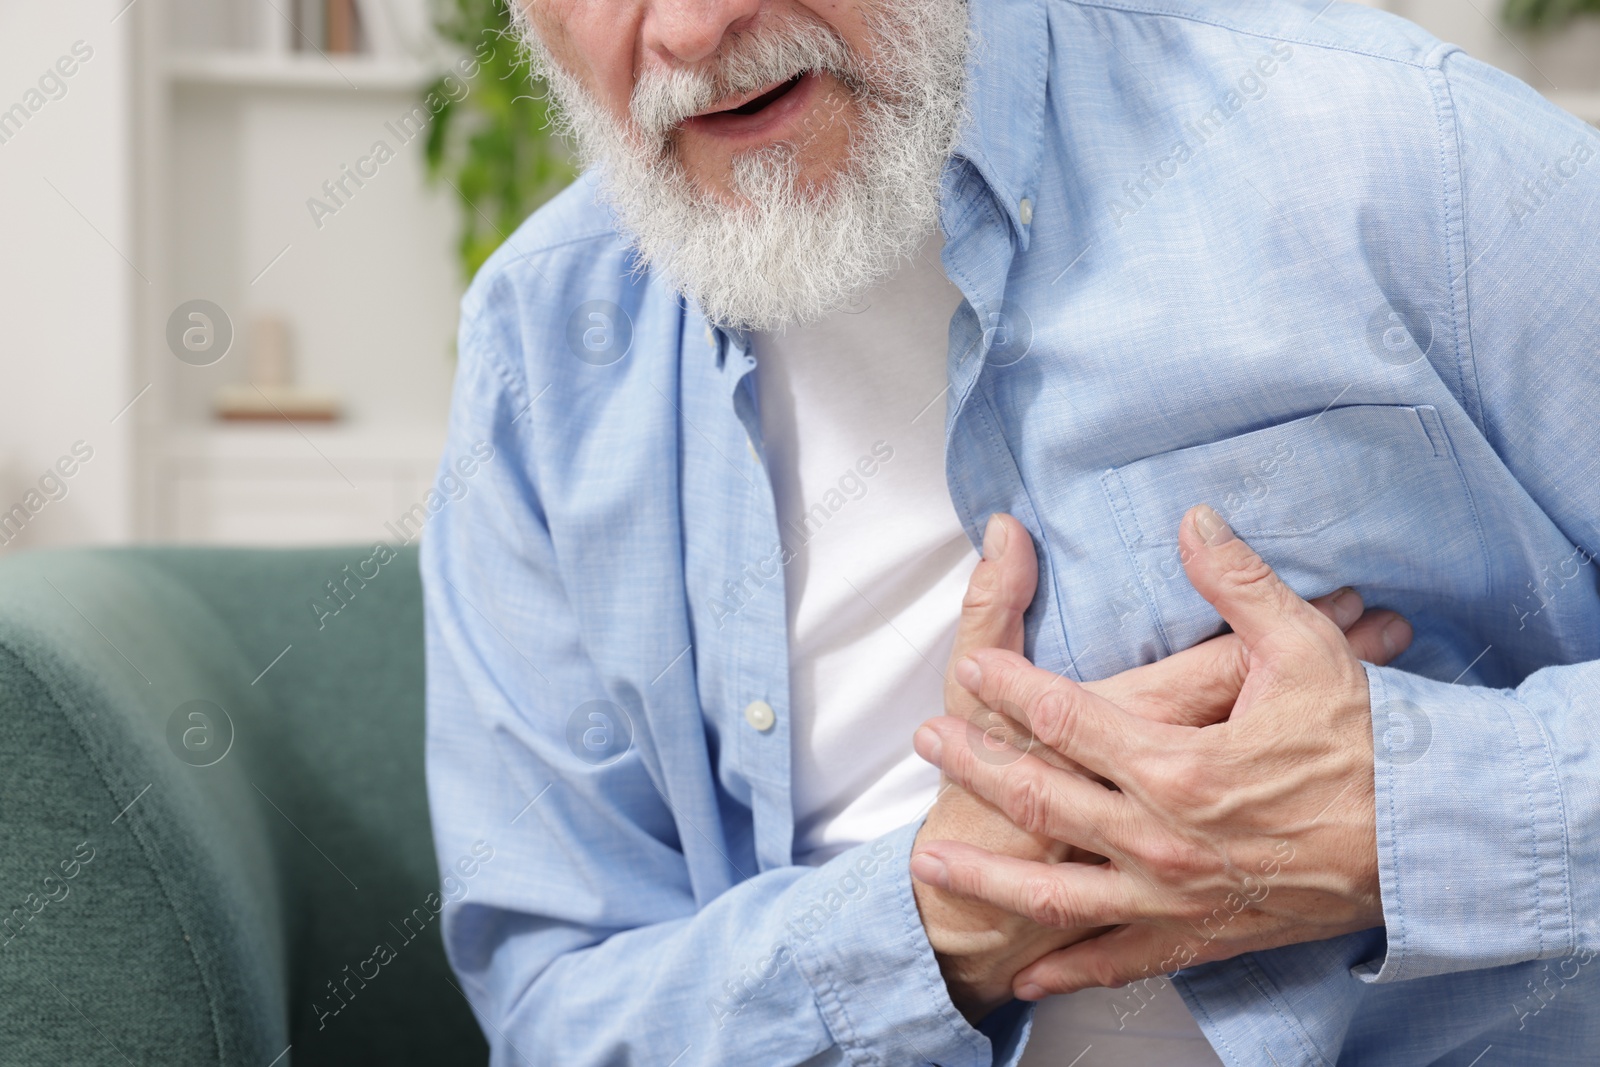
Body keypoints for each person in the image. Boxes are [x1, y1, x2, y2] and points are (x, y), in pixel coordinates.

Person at [420, 0, 1600, 1062]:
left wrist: (1399, 818)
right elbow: (557, 1010)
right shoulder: (538, 352)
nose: (688, 28)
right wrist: (945, 911)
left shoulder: (1389, 139)